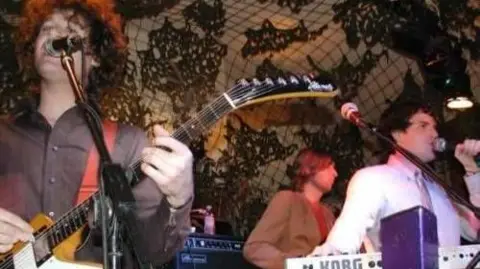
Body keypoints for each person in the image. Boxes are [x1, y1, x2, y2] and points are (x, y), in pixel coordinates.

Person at [0, 0, 194, 267]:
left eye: (71, 31)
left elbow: (151, 253)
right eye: (46, 28)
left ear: (95, 57)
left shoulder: (128, 143)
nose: (54, 35)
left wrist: (179, 200)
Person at [310, 100, 480, 255]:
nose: (434, 133)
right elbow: (345, 238)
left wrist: (472, 170)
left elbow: (475, 229)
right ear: (397, 134)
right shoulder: (373, 179)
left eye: (434, 127)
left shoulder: (439, 190)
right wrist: (328, 254)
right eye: (423, 126)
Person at [243, 148, 338, 269]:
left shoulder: (328, 213)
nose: (335, 173)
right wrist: (296, 264)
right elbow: (254, 248)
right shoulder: (287, 200)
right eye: (330, 166)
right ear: (309, 168)